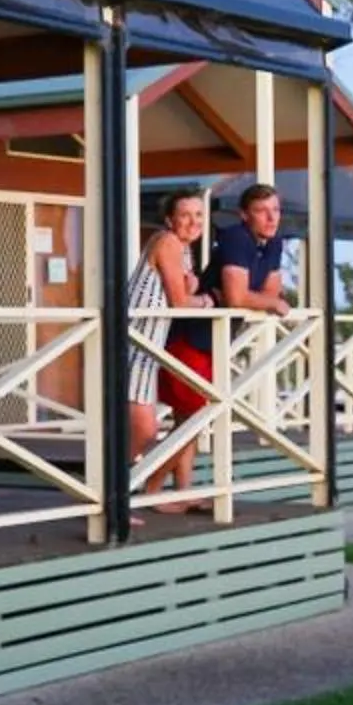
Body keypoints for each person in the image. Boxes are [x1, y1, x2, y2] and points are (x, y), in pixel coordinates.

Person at [129, 191, 212, 509]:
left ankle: (129, 496)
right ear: (169, 220)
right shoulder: (167, 242)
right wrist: (207, 301)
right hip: (135, 343)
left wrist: (191, 288)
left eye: (199, 215)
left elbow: (180, 289)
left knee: (143, 430)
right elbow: (179, 302)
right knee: (144, 431)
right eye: (185, 215)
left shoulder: (184, 250)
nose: (193, 221)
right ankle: (113, 498)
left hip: (150, 348)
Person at [211, 182, 292, 317]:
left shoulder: (274, 241)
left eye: (276, 210)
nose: (271, 218)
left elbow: (271, 293)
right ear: (244, 215)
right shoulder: (236, 237)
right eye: (261, 211)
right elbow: (236, 298)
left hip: (230, 328)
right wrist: (274, 303)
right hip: (199, 326)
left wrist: (263, 300)